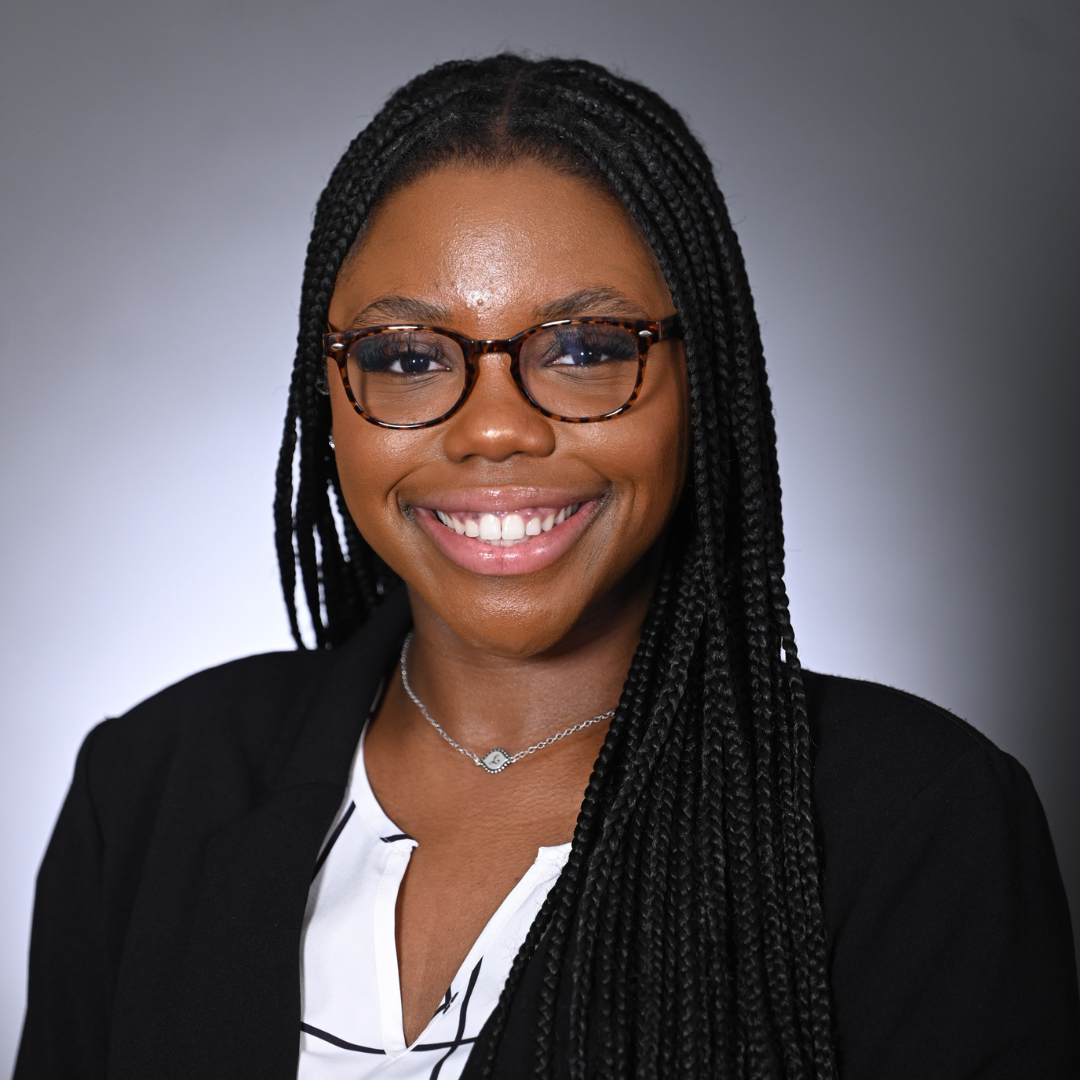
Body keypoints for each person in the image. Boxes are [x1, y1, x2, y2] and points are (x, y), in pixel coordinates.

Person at [14, 55, 1080, 1080]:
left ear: (704, 377)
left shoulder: (914, 823)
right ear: (326, 395)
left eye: (583, 349)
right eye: (406, 356)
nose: (494, 430)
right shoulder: (154, 784)